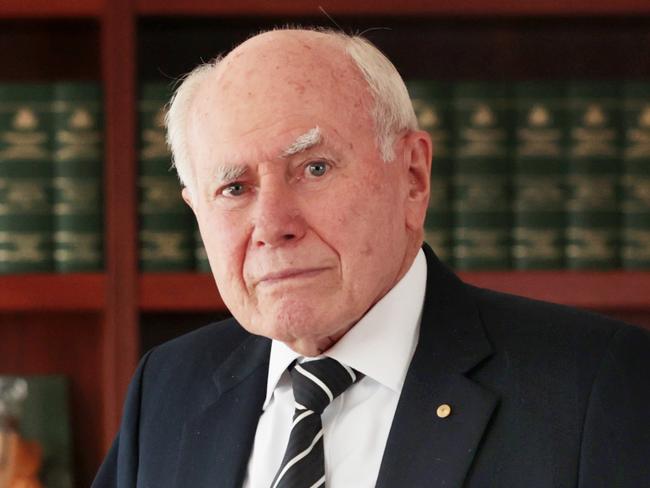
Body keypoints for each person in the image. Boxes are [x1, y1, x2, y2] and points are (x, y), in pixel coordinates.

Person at [92, 28, 650, 488]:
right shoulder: (168, 388)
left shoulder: (596, 388)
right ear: (196, 211)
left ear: (412, 177)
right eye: (234, 188)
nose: (272, 227)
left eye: (313, 168)